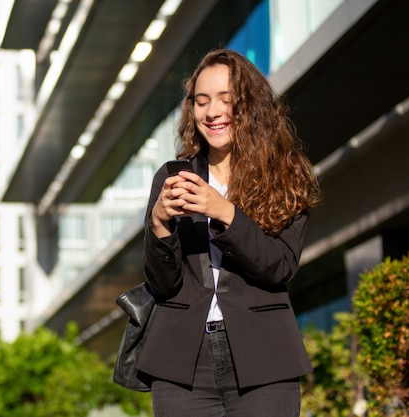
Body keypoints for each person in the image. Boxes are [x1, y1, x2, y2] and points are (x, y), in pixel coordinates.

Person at [137, 49, 321, 416]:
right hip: (182, 363)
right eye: (201, 101)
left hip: (264, 360)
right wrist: (158, 225)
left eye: (226, 99)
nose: (212, 112)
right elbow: (162, 283)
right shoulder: (175, 176)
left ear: (250, 105)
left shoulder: (286, 175)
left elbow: (280, 266)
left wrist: (225, 213)